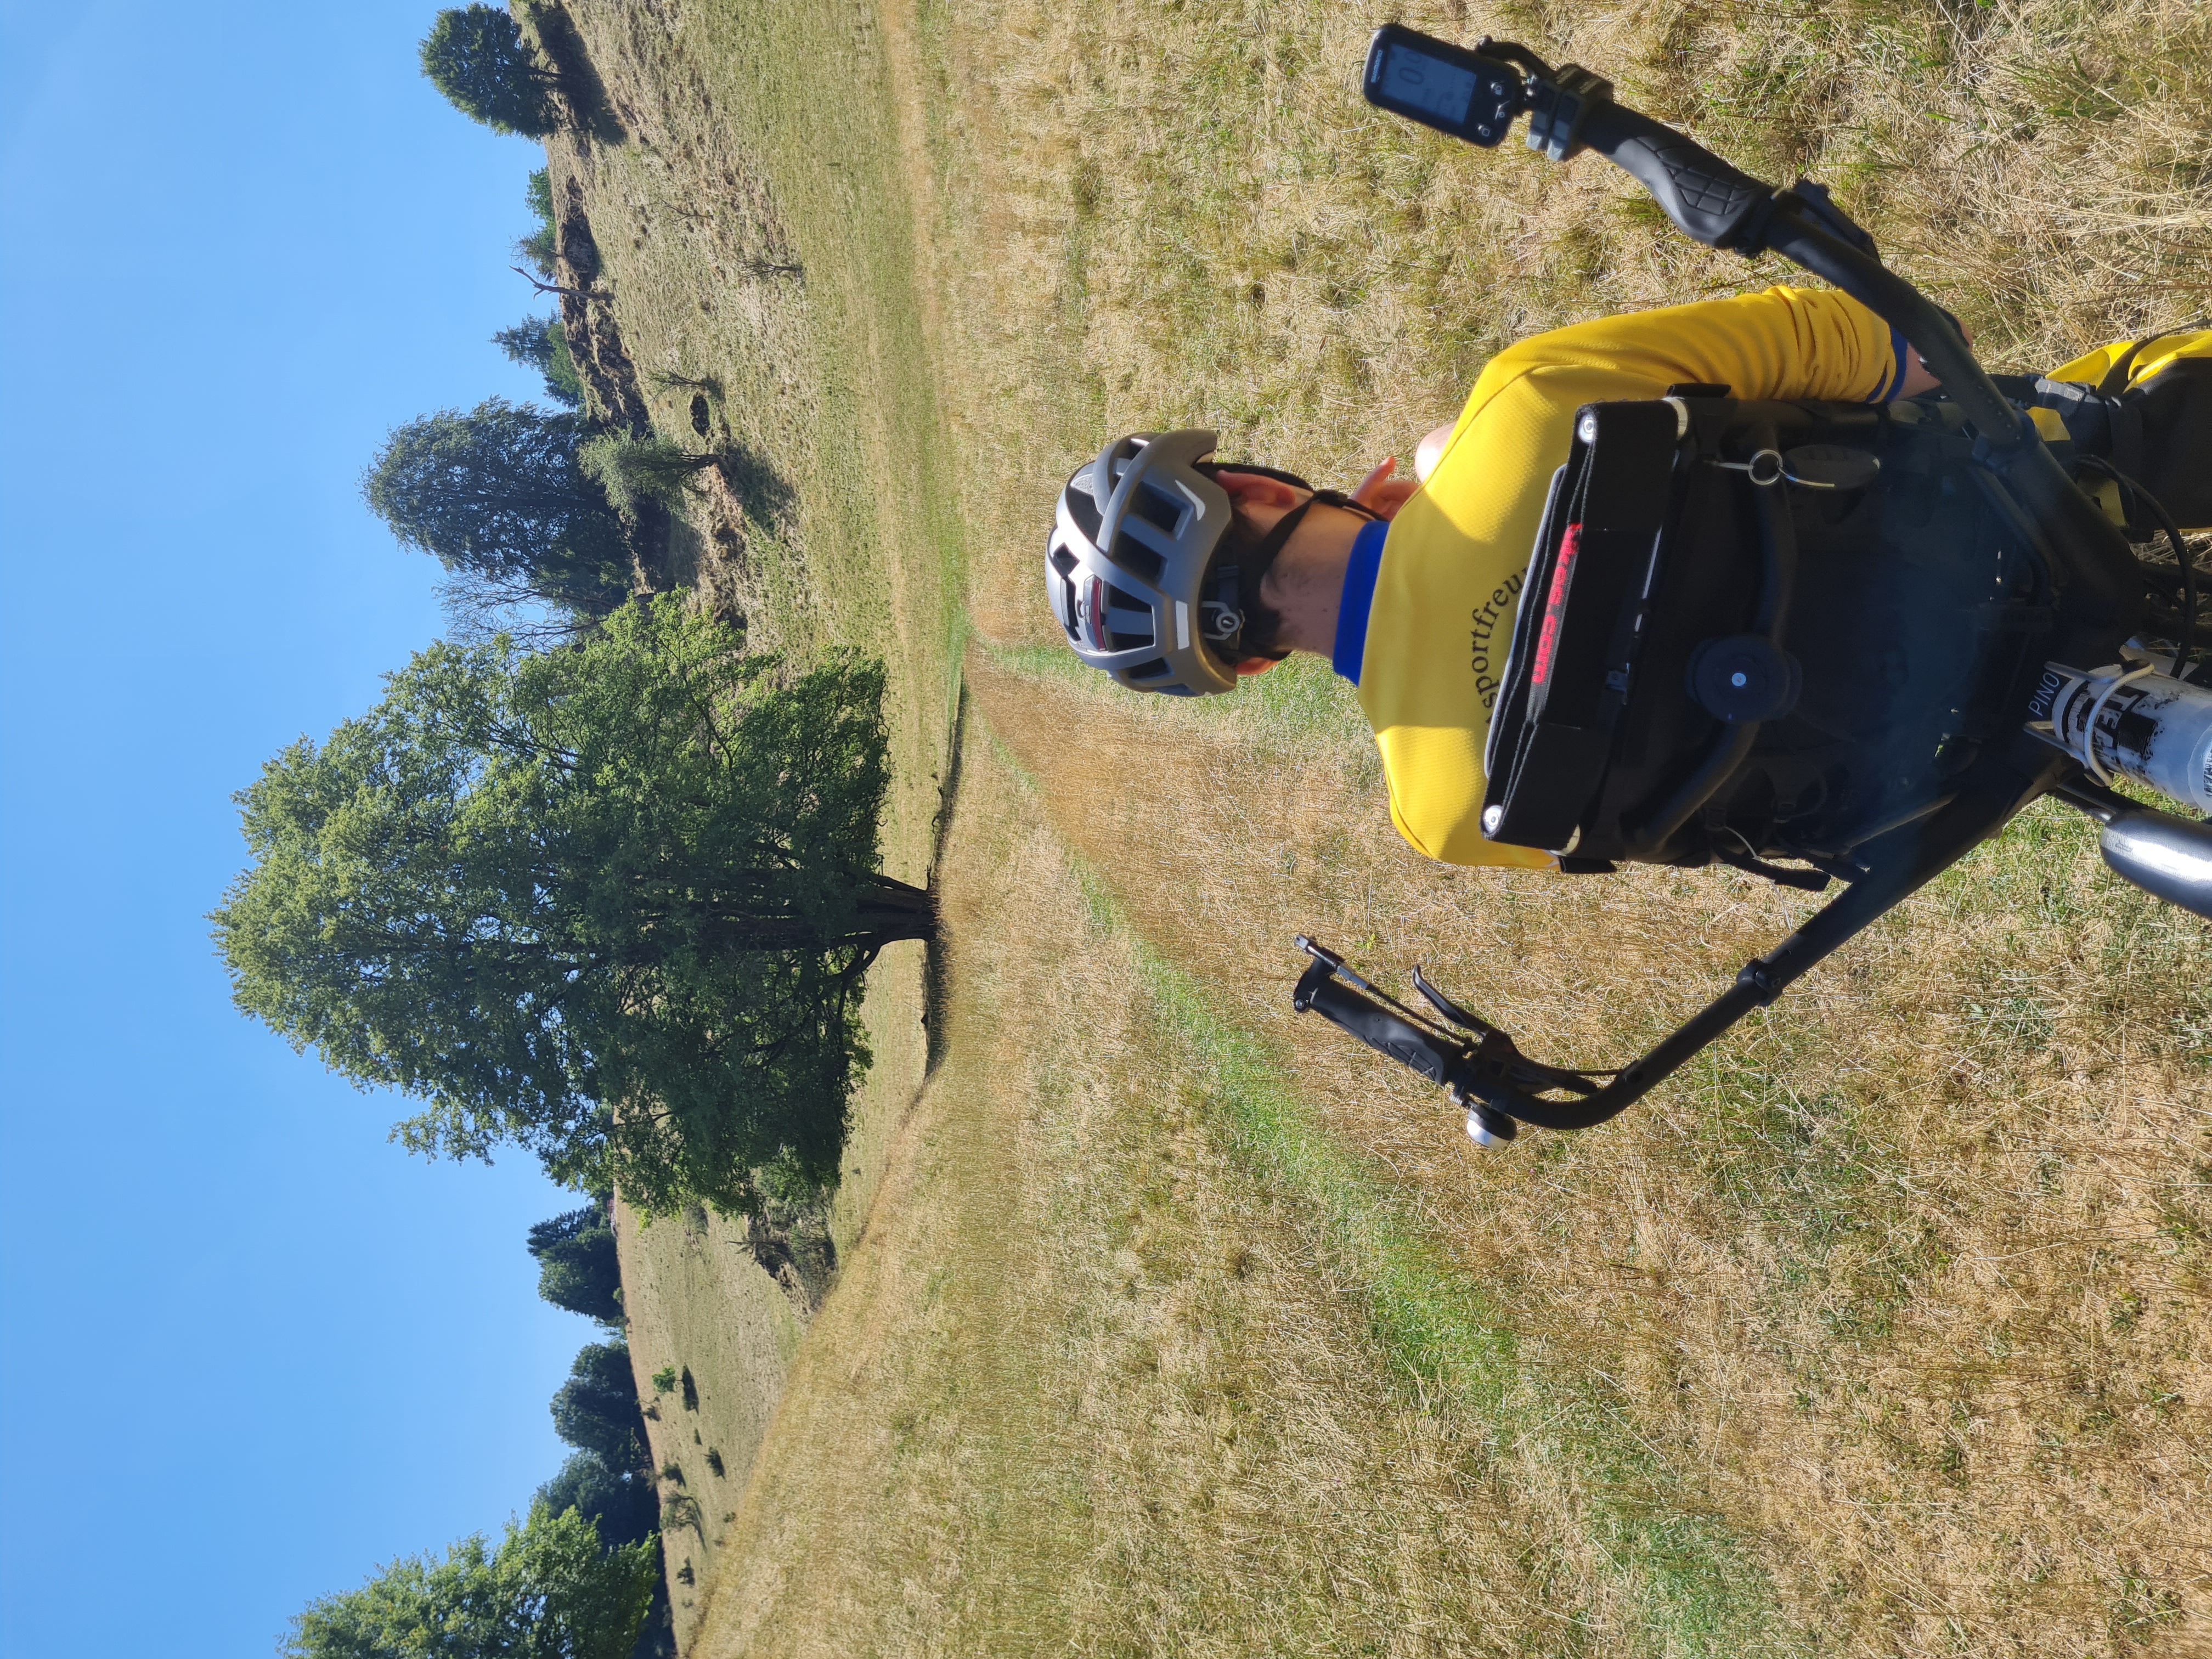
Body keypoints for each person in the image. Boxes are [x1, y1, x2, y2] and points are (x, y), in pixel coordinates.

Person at [1045, 286, 2205, 867]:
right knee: (2107, 419)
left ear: (1241, 660)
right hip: (2008, 528)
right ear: (1252, 489)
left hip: (1954, 752)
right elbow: (1861, 339)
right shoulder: (1524, 402)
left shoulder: (1439, 812)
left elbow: (1702, 824)